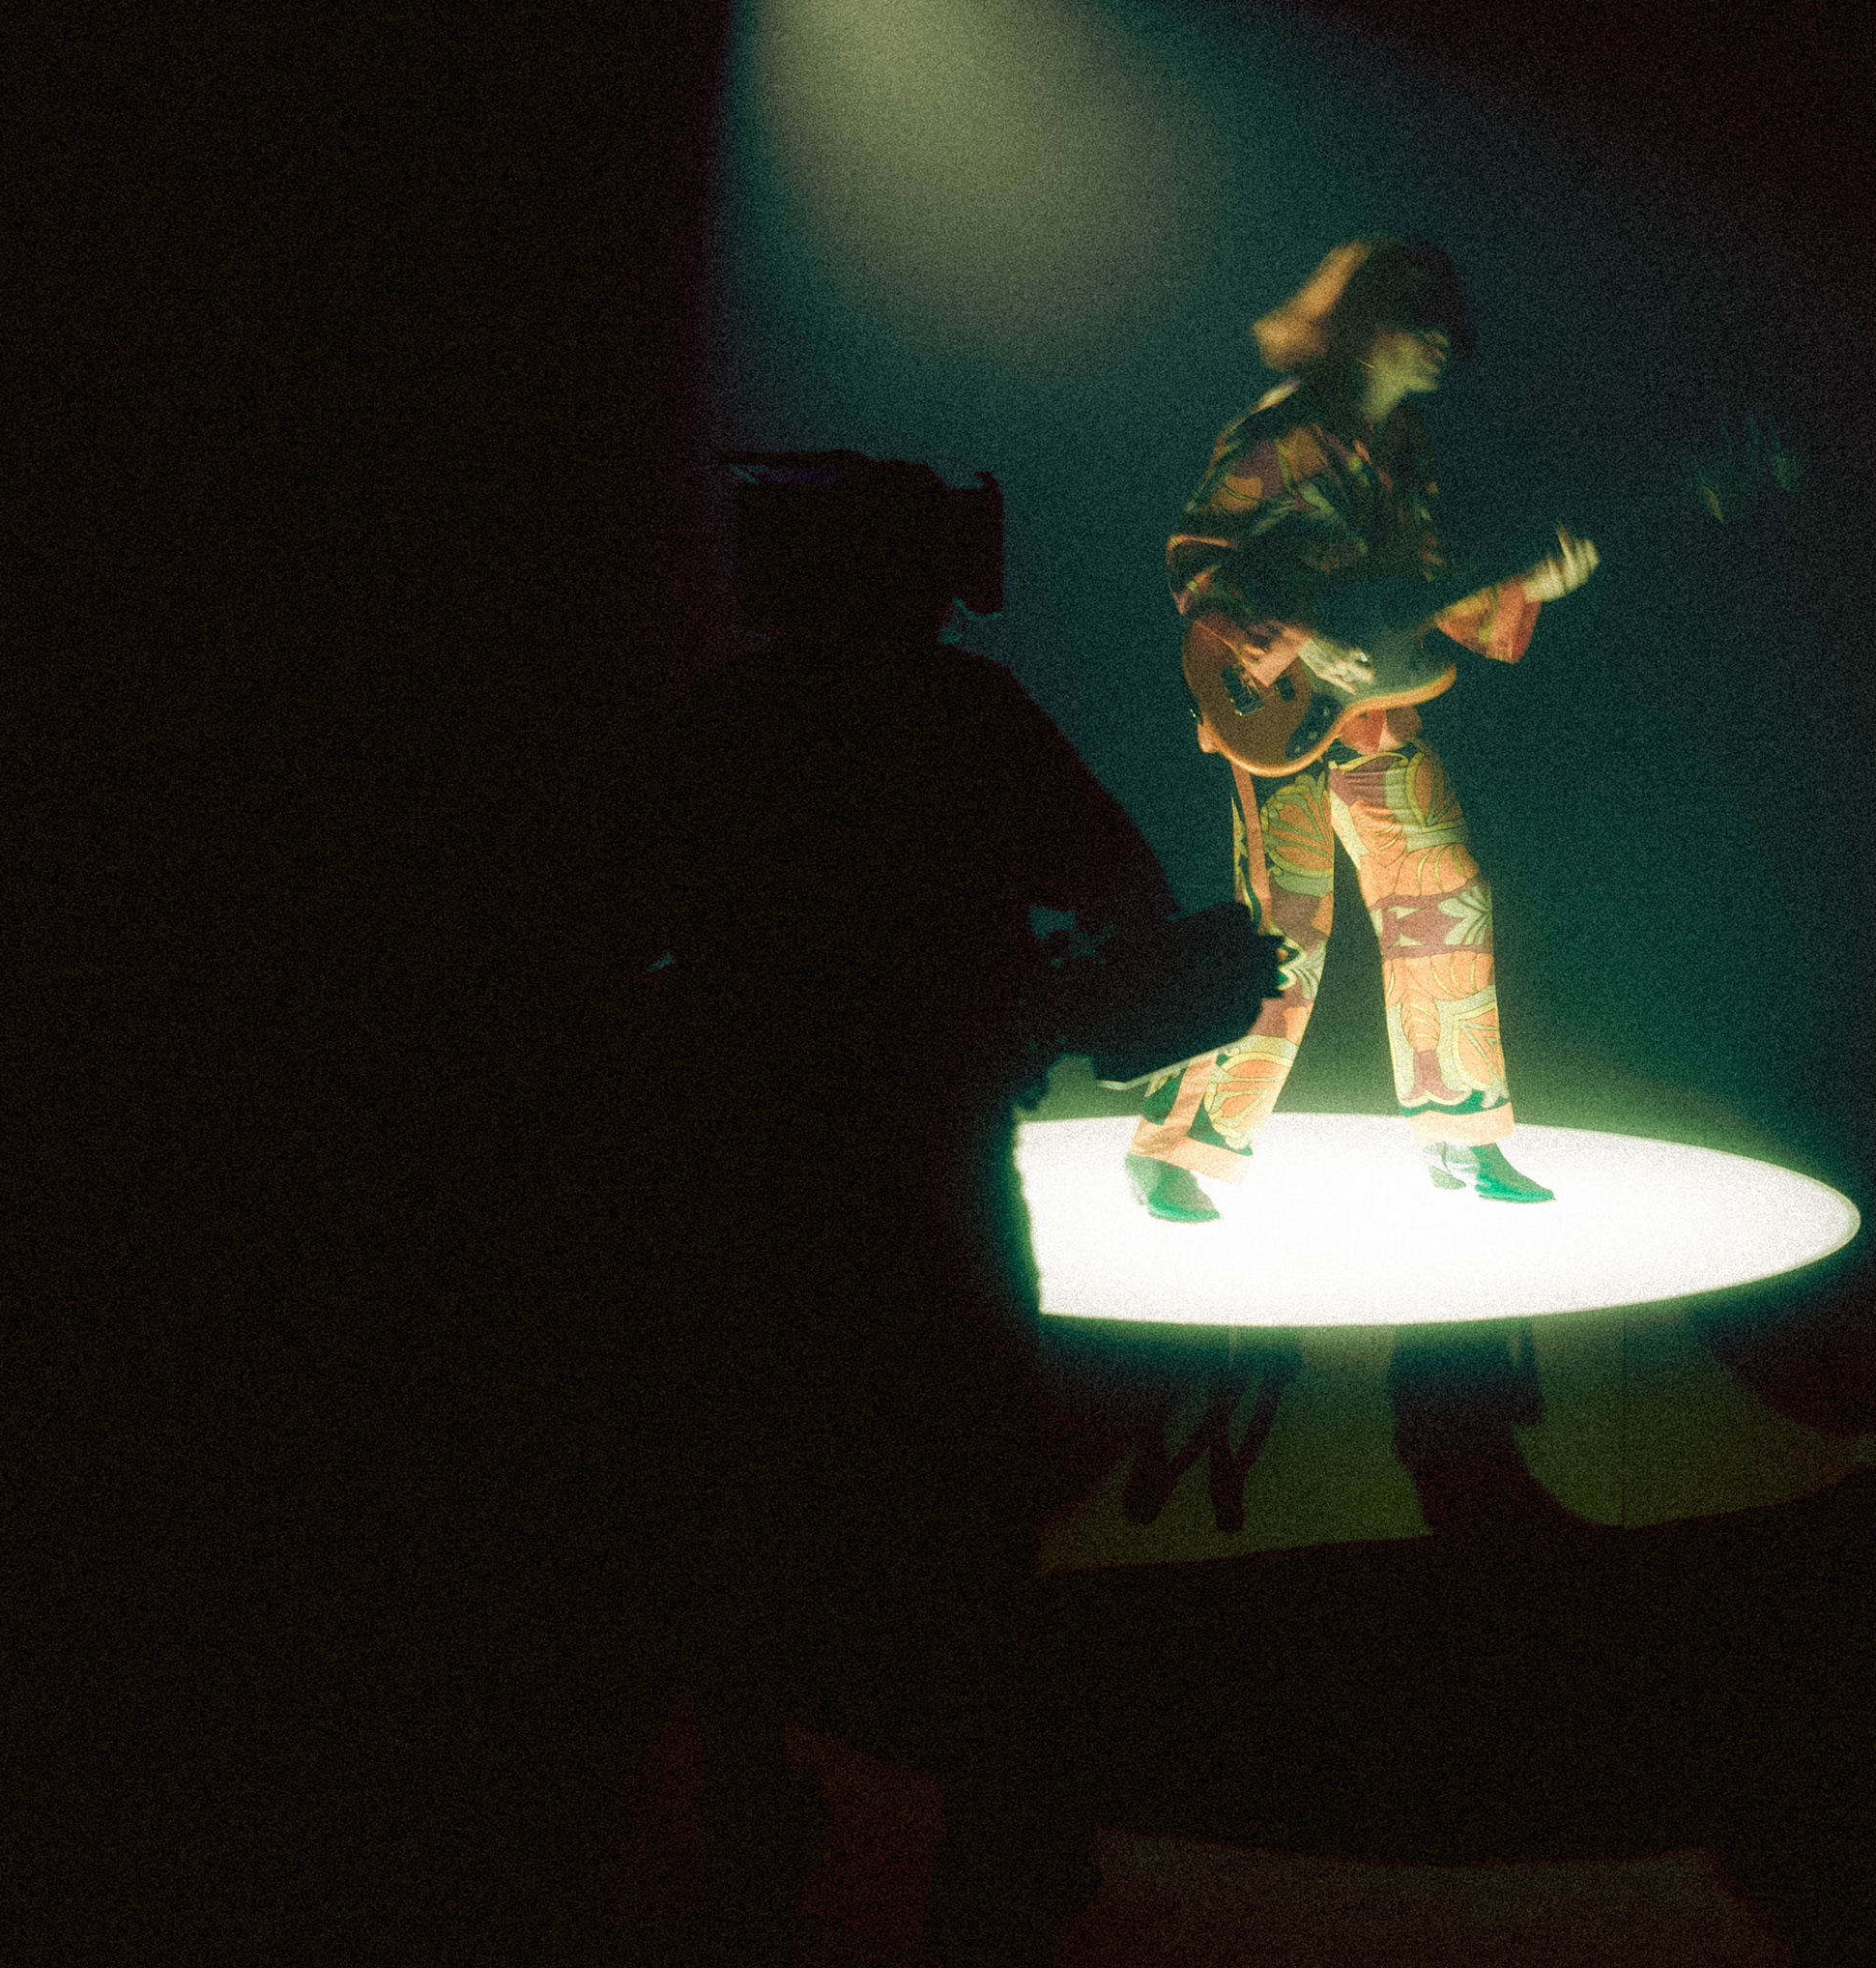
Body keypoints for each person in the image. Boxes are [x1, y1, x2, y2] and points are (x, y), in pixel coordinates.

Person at [593, 450, 1275, 1967]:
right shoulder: (972, 716)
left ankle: (754, 1803)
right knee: (973, 1508)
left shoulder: (725, 721)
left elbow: (610, 922)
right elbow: (1123, 889)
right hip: (935, 1167)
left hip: (748, 1172)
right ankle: (993, 1837)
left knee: (754, 1491)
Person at [1122, 238, 1599, 1220]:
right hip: (1278, 714)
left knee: (1444, 894)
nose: (1443, 341)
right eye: (1422, 320)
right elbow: (1196, 554)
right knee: (1286, 929)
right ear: (1368, 325)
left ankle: (1462, 1133)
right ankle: (1174, 1147)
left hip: (1377, 713)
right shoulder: (1281, 434)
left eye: (1448, 325)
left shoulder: (1403, 446)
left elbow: (1413, 592)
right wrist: (1294, 634)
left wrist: (1526, 589)